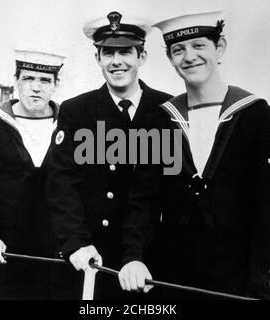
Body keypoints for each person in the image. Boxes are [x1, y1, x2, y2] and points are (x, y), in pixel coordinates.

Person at [119, 10, 270, 300]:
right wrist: (134, 257)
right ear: (170, 59)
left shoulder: (257, 116)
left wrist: (262, 290)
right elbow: (143, 201)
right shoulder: (159, 121)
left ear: (219, 48)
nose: (189, 57)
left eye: (199, 46)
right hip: (170, 280)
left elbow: (269, 218)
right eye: (178, 50)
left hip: (235, 285)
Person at [46, 11, 172, 299]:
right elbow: (60, 184)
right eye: (108, 53)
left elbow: (161, 193)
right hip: (89, 260)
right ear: (97, 59)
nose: (117, 61)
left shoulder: (167, 112)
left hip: (146, 265)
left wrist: (136, 255)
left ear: (142, 56)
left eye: (126, 51)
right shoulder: (76, 112)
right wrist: (76, 243)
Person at [0, 48, 65, 299]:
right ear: (15, 81)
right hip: (5, 254)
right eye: (28, 79)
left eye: (45, 80)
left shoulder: (69, 123)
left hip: (57, 256)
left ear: (56, 84)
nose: (36, 87)